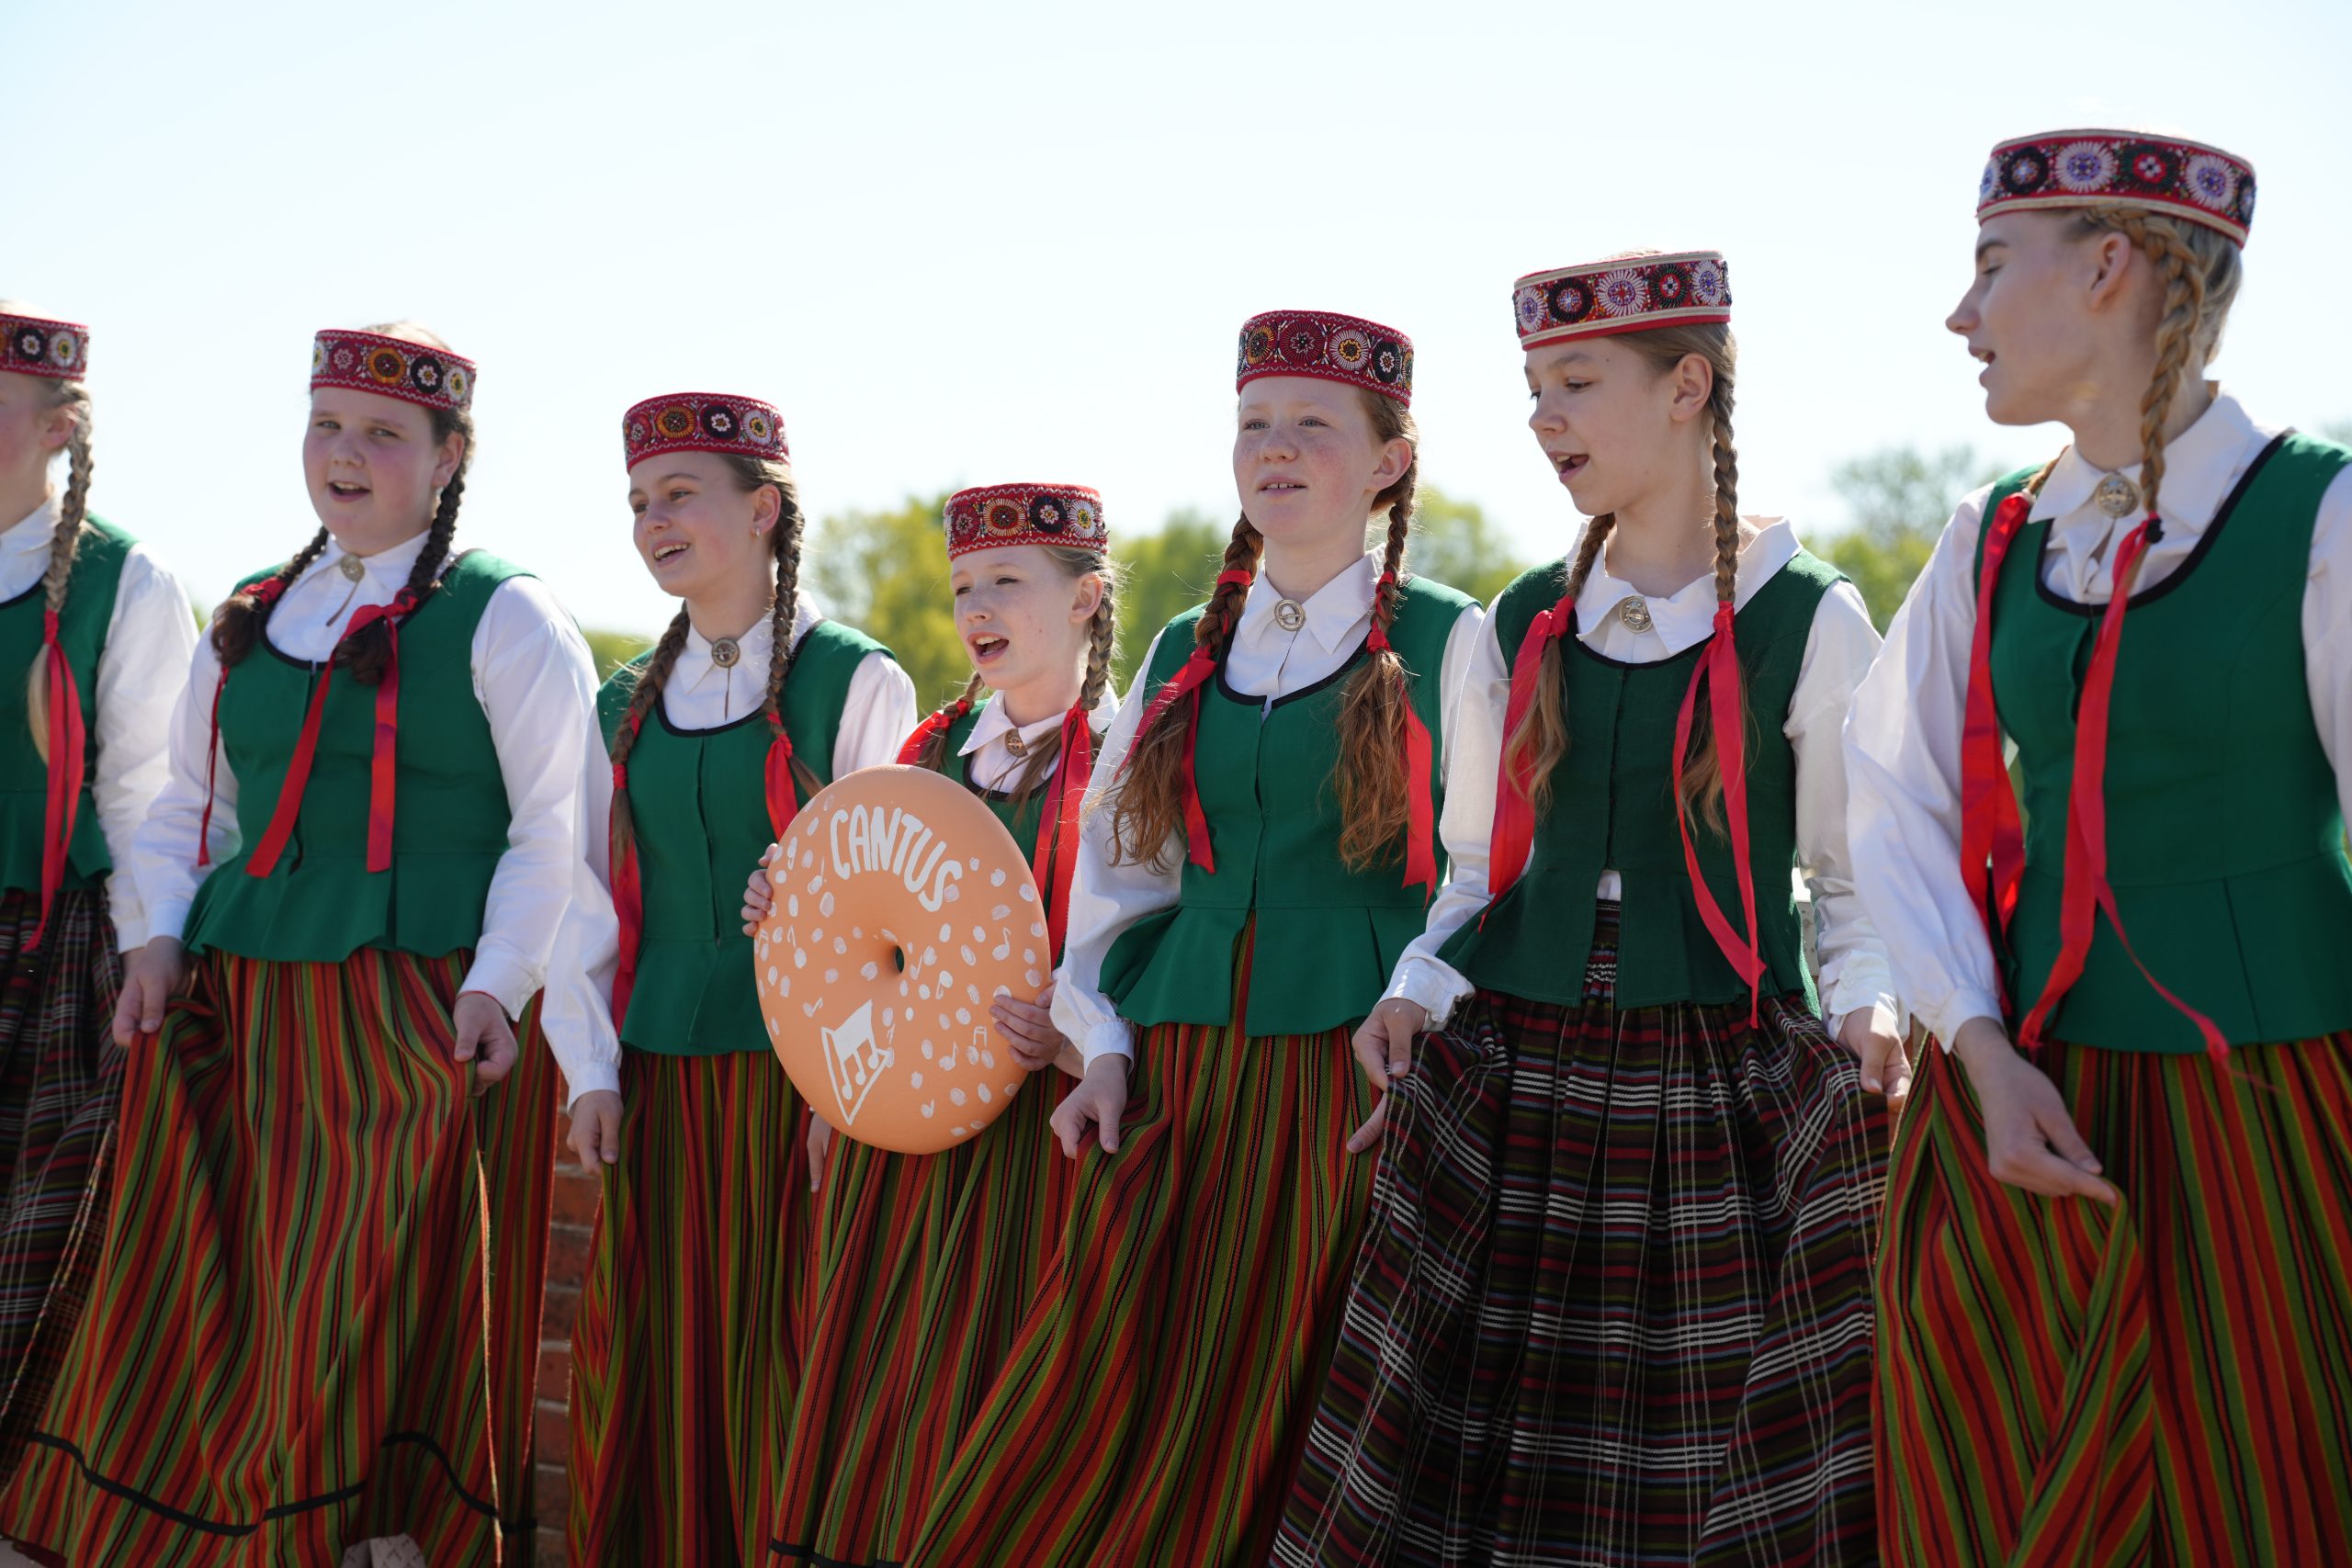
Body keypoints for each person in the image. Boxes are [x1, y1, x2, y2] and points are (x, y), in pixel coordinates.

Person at [1281, 252, 1896, 1566]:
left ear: (1687, 387)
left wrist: (1869, 1011)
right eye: (1531, 388)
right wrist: (1413, 989)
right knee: (1466, 1449)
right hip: (1518, 1068)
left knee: (1694, 1450)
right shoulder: (1519, 622)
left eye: (1574, 383)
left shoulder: (1810, 616)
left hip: (1716, 1070)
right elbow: (1475, 874)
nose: (1541, 417)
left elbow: (1850, 885)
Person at [0, 324, 599, 1565]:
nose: (345, 452)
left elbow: (558, 831)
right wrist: (156, 942)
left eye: (384, 433)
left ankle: (359, 1535)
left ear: (450, 457)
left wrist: (500, 984)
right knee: (219, 1293)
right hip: (240, 1002)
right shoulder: (258, 609)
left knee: (355, 1296)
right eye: (327, 425)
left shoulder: (509, 614)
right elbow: (188, 806)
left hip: (419, 1008)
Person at [900, 310, 1485, 1567]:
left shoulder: (1451, 636)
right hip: (1181, 1076)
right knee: (1106, 1398)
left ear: (1388, 462)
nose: (1275, 447)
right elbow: (1121, 879)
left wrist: (1418, 997)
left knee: (1308, 1414)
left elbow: (1488, 866)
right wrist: (1102, 1045)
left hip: (1353, 1082)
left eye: (1312, 424)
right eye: (1254, 423)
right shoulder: (1184, 646)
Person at [1849, 130, 2352, 1563]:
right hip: (2024, 1097)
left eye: (1992, 265)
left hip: (2275, 1100)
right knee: (1991, 1481)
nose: (1961, 313)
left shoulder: (2321, 512)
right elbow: (1893, 797)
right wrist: (1980, 1049)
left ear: (2111, 267)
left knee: (2265, 1481)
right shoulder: (1993, 533)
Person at [555, 390, 913, 1566]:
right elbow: (585, 898)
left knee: (787, 1352)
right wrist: (588, 1070)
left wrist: (846, 1090)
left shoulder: (855, 679)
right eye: (638, 502)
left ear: (763, 510)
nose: (653, 521)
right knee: (656, 1356)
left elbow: (892, 903)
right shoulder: (621, 703)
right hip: (657, 1071)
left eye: (680, 495)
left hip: (804, 1080)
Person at [760, 479, 1115, 1567]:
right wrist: (784, 899)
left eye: (1008, 580)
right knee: (877, 1380)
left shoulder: (1125, 755)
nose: (978, 608)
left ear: (1086, 597)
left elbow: (1145, 935)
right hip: (898, 1136)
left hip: (1032, 1142)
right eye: (964, 586)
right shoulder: (922, 758)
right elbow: (854, 930)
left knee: (988, 1390)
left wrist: (1077, 1036)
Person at [0, 309, 196, 1472]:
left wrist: (146, 950)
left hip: (47, 954)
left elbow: (146, 799)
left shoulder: (128, 580)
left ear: (58, 429)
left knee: (34, 1241)